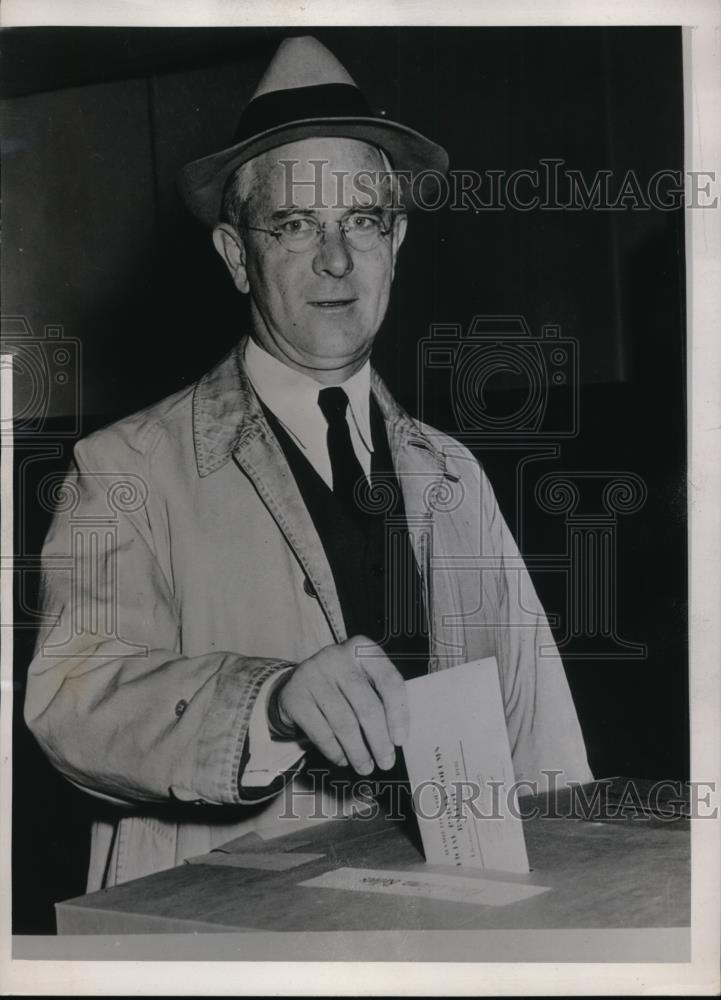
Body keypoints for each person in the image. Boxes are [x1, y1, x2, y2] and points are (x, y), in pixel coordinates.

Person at [25, 36, 592, 892]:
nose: (336, 258)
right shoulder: (122, 470)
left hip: (439, 931)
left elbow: (540, 736)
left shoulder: (452, 476)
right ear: (234, 255)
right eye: (294, 225)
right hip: (230, 939)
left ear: (395, 240)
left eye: (361, 219)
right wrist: (269, 701)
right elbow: (71, 703)